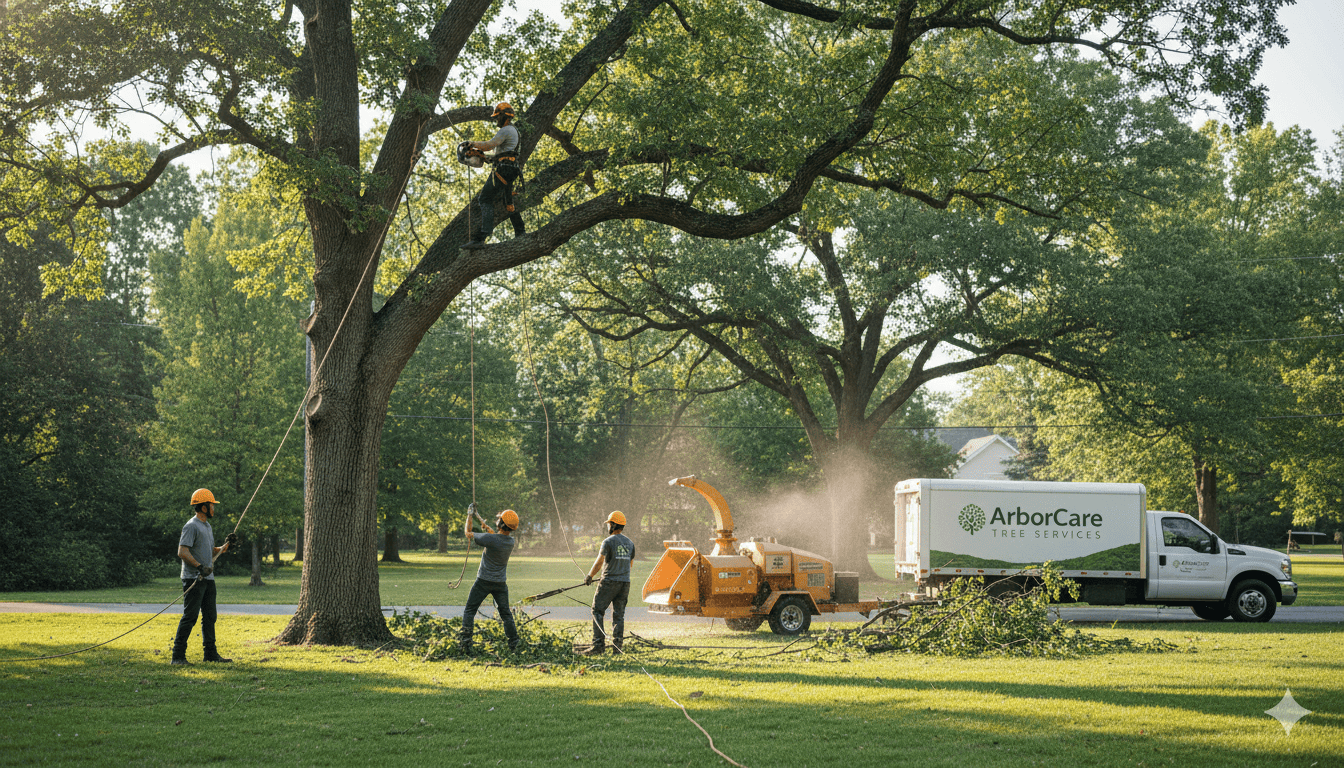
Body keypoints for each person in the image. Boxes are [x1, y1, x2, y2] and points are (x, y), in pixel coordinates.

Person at [171, 488, 236, 665]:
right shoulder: (191, 526)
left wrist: (227, 545)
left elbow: (211, 551)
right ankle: (177, 656)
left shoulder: (207, 526)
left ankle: (210, 654)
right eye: (212, 505)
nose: (214, 508)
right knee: (190, 616)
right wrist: (199, 567)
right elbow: (182, 551)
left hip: (208, 579)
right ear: (203, 507)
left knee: (210, 616)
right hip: (194, 578)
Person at [462, 102, 526, 248]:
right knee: (508, 202)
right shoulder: (513, 131)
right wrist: (483, 156)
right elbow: (500, 155)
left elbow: (489, 145)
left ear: (504, 116)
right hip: (509, 168)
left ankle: (481, 237)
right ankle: (520, 232)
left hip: (504, 169)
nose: (496, 120)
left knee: (484, 198)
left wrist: (472, 143)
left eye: (498, 117)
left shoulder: (506, 130)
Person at [459, 503, 521, 653]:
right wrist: (483, 524)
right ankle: (515, 644)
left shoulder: (490, 539)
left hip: (483, 582)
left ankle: (465, 644)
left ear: (500, 523)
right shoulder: (510, 542)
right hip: (500, 583)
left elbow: (468, 533)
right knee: (506, 614)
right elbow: (496, 537)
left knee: (469, 610)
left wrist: (469, 515)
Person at [579, 511, 635, 655]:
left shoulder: (608, 542)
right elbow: (630, 565)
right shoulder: (630, 543)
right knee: (618, 615)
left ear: (614, 524)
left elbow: (599, 562)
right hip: (624, 583)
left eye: (609, 523)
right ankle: (617, 648)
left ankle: (598, 646)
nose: (608, 526)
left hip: (609, 582)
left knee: (597, 611)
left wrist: (590, 576)